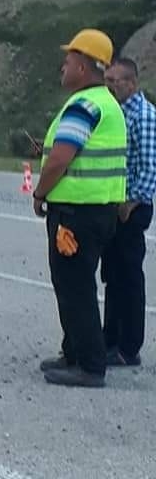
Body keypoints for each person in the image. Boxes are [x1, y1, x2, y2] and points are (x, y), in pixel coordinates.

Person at [34, 29, 127, 388]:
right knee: (75, 282)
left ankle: (89, 364)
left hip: (76, 212)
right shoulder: (107, 103)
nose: (63, 67)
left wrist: (40, 192)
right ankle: (73, 351)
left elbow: (60, 158)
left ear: (84, 68)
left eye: (69, 61)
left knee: (74, 286)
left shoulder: (84, 105)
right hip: (99, 210)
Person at [101, 57, 156, 366]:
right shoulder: (119, 112)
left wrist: (129, 204)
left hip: (132, 208)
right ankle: (110, 338)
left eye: (115, 81)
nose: (110, 86)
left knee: (129, 276)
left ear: (132, 83)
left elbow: (149, 167)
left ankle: (129, 346)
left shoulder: (144, 116)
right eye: (107, 80)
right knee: (113, 275)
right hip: (115, 203)